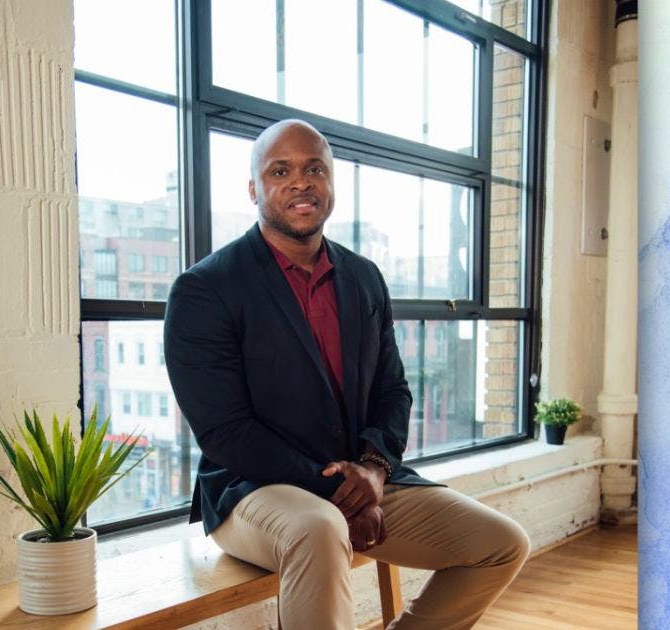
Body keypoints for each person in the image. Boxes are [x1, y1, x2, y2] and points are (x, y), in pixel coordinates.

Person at [164, 119, 530, 629]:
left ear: (332, 183)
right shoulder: (206, 288)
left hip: (363, 478)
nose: (300, 181)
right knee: (318, 529)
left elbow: (393, 391)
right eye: (280, 170)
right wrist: (340, 491)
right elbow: (225, 433)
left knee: (501, 544)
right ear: (254, 189)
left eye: (315, 168)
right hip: (250, 489)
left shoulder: (362, 277)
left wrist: (375, 469)